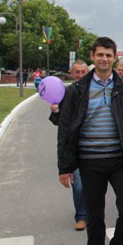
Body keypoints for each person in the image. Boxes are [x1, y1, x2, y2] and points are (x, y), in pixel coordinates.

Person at [57, 37, 123, 245]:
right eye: (100, 54)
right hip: (89, 163)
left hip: (120, 161)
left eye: (108, 55)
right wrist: (65, 167)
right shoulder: (76, 90)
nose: (104, 58)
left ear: (114, 58)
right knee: (95, 217)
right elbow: (65, 129)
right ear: (93, 56)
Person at [49, 59, 89, 231]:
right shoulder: (65, 93)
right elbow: (59, 121)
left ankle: (94, 212)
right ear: (71, 74)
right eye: (77, 72)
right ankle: (81, 216)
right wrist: (55, 111)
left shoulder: (96, 91)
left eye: (83, 72)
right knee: (78, 183)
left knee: (95, 183)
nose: (80, 75)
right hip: (75, 146)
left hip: (95, 144)